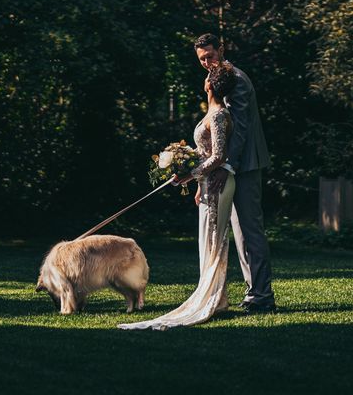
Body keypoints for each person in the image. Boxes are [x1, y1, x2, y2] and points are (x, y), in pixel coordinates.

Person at [118, 64, 238, 330]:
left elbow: (219, 155)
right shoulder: (211, 113)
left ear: (210, 85)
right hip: (206, 183)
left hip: (218, 185)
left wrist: (189, 174)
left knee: (214, 240)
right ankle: (217, 296)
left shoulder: (219, 115)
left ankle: (214, 298)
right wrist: (181, 164)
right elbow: (205, 151)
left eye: (207, 77)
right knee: (206, 241)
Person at [193, 33, 276, 313]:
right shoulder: (217, 80)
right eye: (202, 59)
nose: (207, 62)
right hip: (226, 166)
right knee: (238, 233)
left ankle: (262, 296)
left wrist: (227, 166)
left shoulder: (236, 79)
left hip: (246, 164)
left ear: (221, 49)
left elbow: (239, 129)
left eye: (210, 56)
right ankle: (253, 293)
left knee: (249, 230)